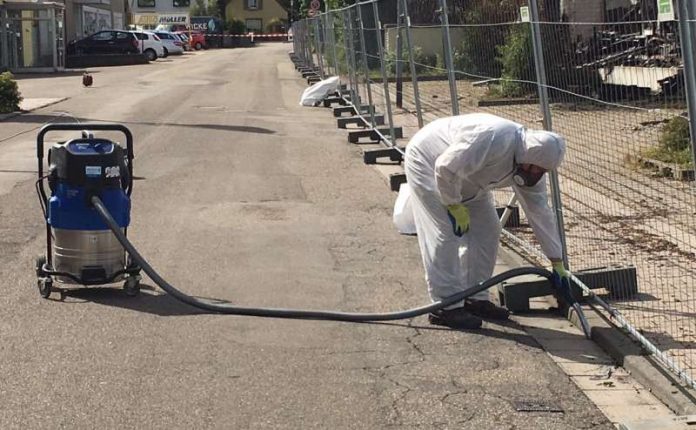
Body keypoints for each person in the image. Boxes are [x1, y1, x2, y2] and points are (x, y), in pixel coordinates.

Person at [403, 113, 571, 329]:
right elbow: (445, 167)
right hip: (429, 162)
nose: (537, 175)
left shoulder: (533, 163)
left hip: (470, 179)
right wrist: (453, 204)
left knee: (488, 230)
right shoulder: (494, 138)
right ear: (525, 158)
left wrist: (556, 261)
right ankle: (445, 306)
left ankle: (475, 296)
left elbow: (540, 213)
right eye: (536, 169)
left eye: (543, 172)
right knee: (444, 233)